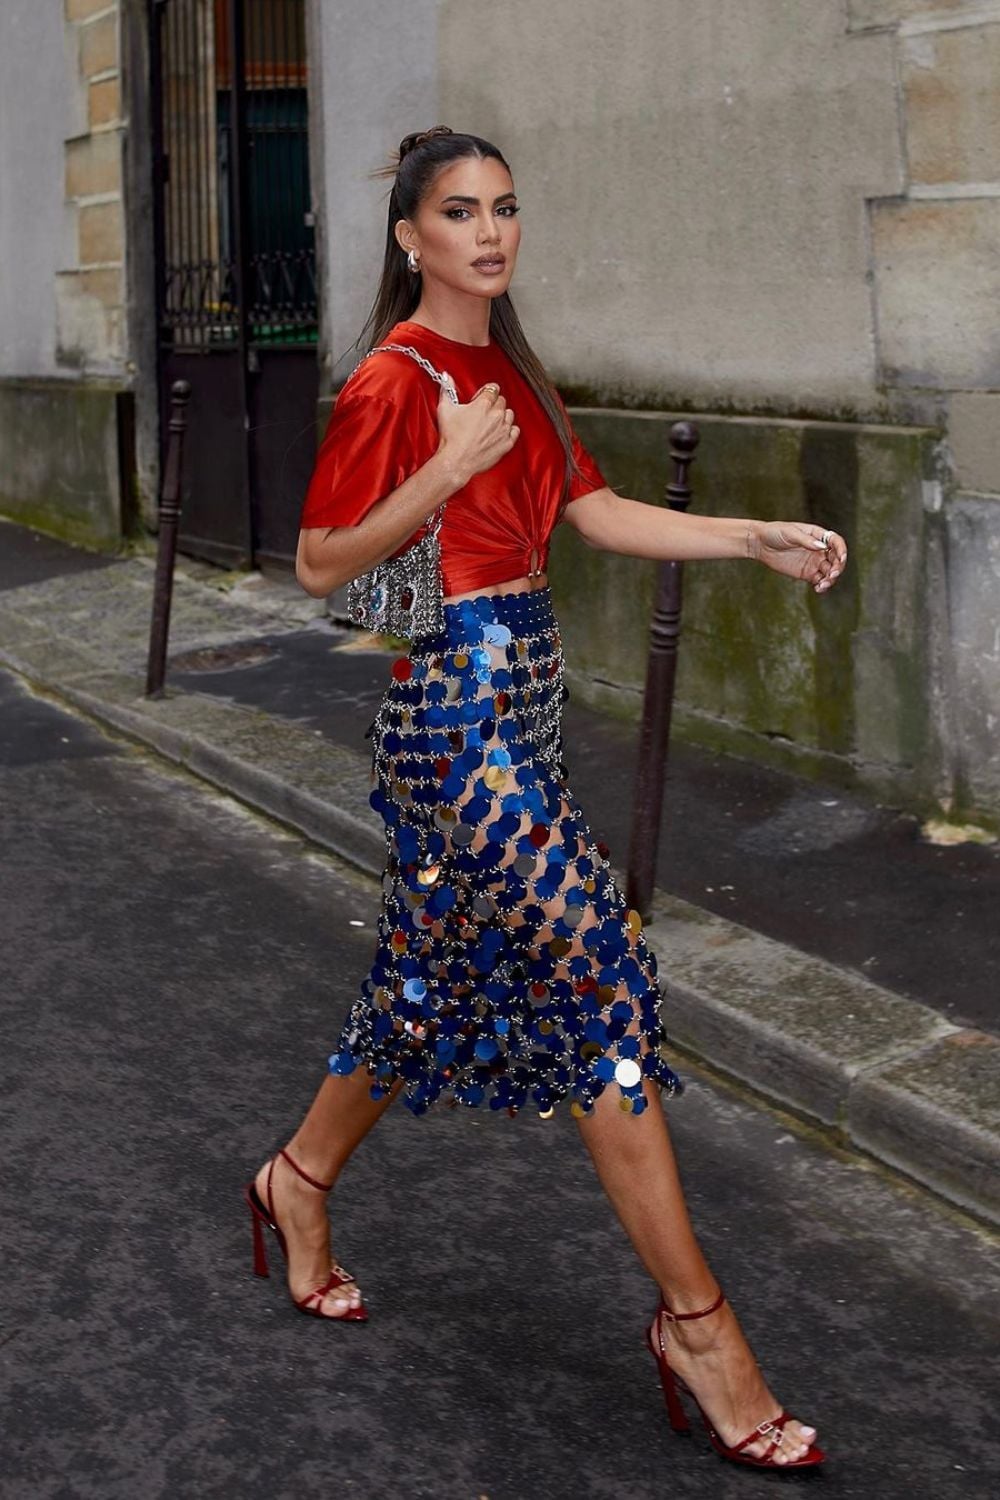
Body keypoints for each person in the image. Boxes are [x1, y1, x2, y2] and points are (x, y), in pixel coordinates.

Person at [244, 127, 846, 1470]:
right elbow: (319, 565)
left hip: (524, 710)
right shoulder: (397, 382)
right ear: (412, 238)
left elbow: (597, 510)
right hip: (452, 720)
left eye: (506, 208)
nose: (492, 231)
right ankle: (700, 1325)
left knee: (426, 981)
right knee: (597, 973)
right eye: (461, 211)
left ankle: (297, 1180)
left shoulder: (512, 368)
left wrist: (750, 536)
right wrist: (447, 471)